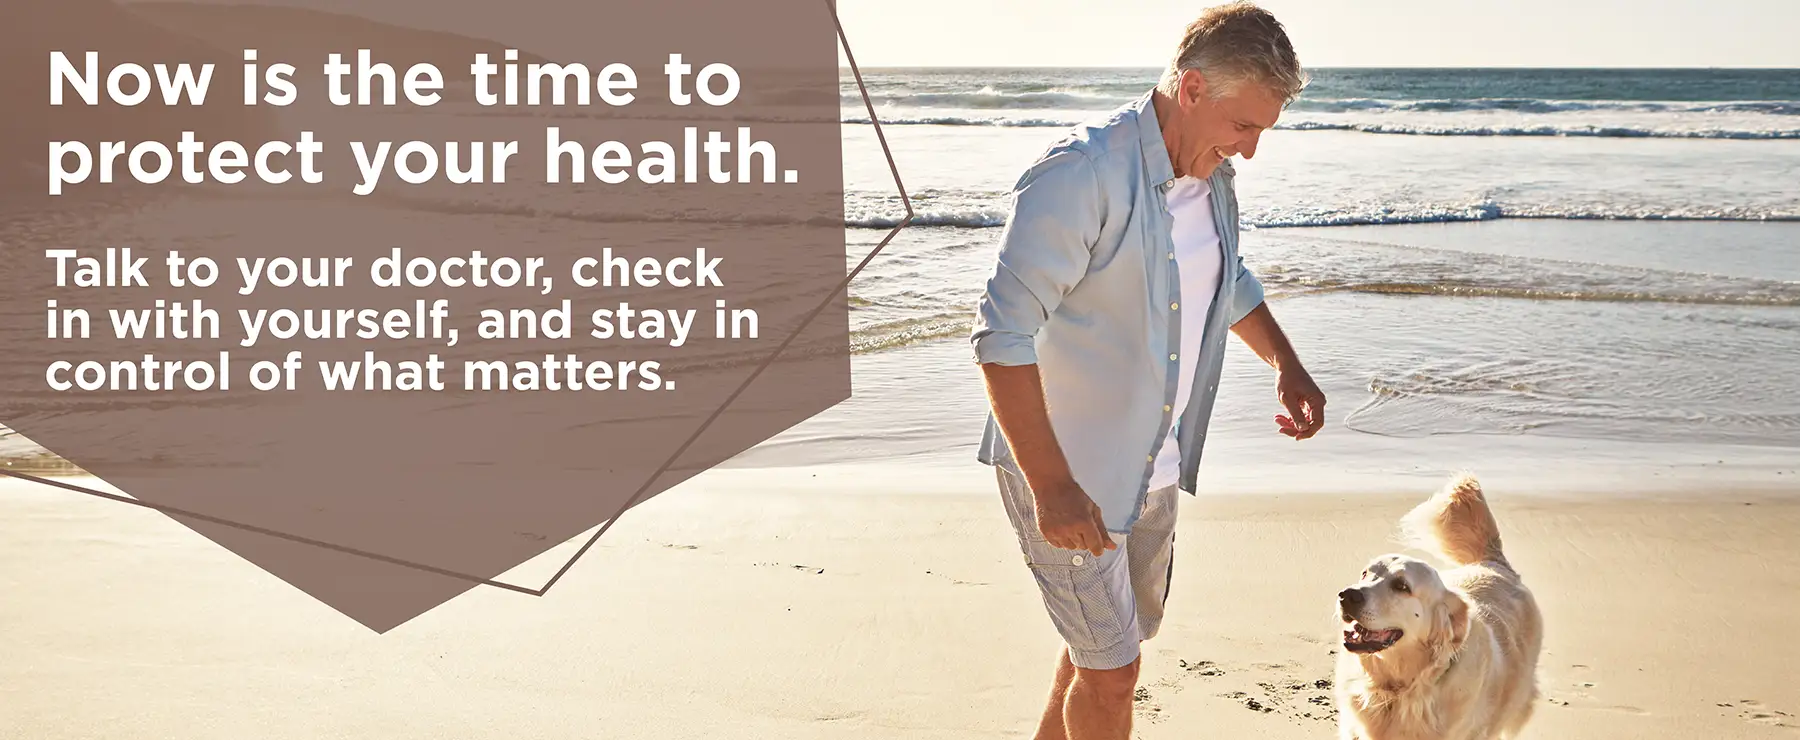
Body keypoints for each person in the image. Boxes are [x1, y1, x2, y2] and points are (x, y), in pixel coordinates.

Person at [969, 4, 1325, 739]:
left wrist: (1286, 363)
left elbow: (1229, 281)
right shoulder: (1080, 175)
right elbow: (1000, 338)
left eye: (1262, 129)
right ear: (1192, 89)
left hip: (1155, 466)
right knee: (1112, 672)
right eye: (1244, 126)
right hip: (1069, 468)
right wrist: (1052, 486)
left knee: (1105, 649)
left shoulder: (1211, 174)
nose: (1251, 150)